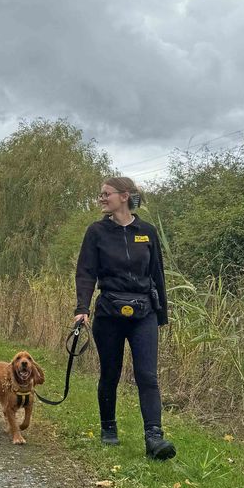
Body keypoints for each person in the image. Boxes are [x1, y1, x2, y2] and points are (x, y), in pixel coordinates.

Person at [73, 176, 175, 460]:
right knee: (110, 373)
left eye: (106, 194)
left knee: (147, 376)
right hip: (109, 312)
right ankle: (108, 428)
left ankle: (154, 438)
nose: (101, 198)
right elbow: (86, 273)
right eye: (100, 194)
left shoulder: (148, 232)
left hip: (144, 312)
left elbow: (158, 276)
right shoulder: (96, 232)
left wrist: (161, 315)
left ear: (124, 196)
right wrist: (82, 308)